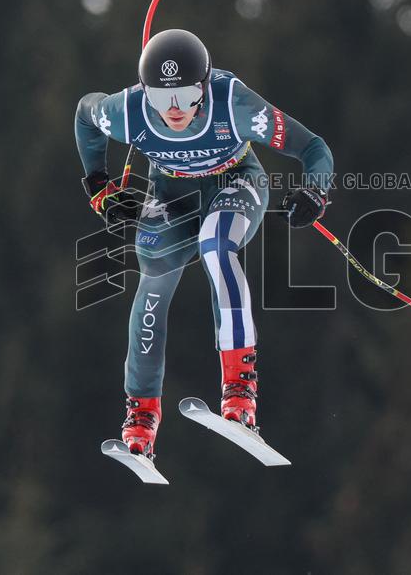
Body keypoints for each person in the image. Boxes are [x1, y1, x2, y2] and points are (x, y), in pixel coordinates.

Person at [75, 29, 334, 458]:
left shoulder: (233, 103)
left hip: (236, 185)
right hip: (172, 197)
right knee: (153, 272)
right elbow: (86, 114)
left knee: (217, 245)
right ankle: (141, 412)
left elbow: (313, 148)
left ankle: (240, 391)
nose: (173, 111)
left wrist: (315, 191)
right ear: (145, 92)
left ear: (205, 84)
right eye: (161, 99)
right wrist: (99, 186)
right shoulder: (128, 111)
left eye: (185, 96)